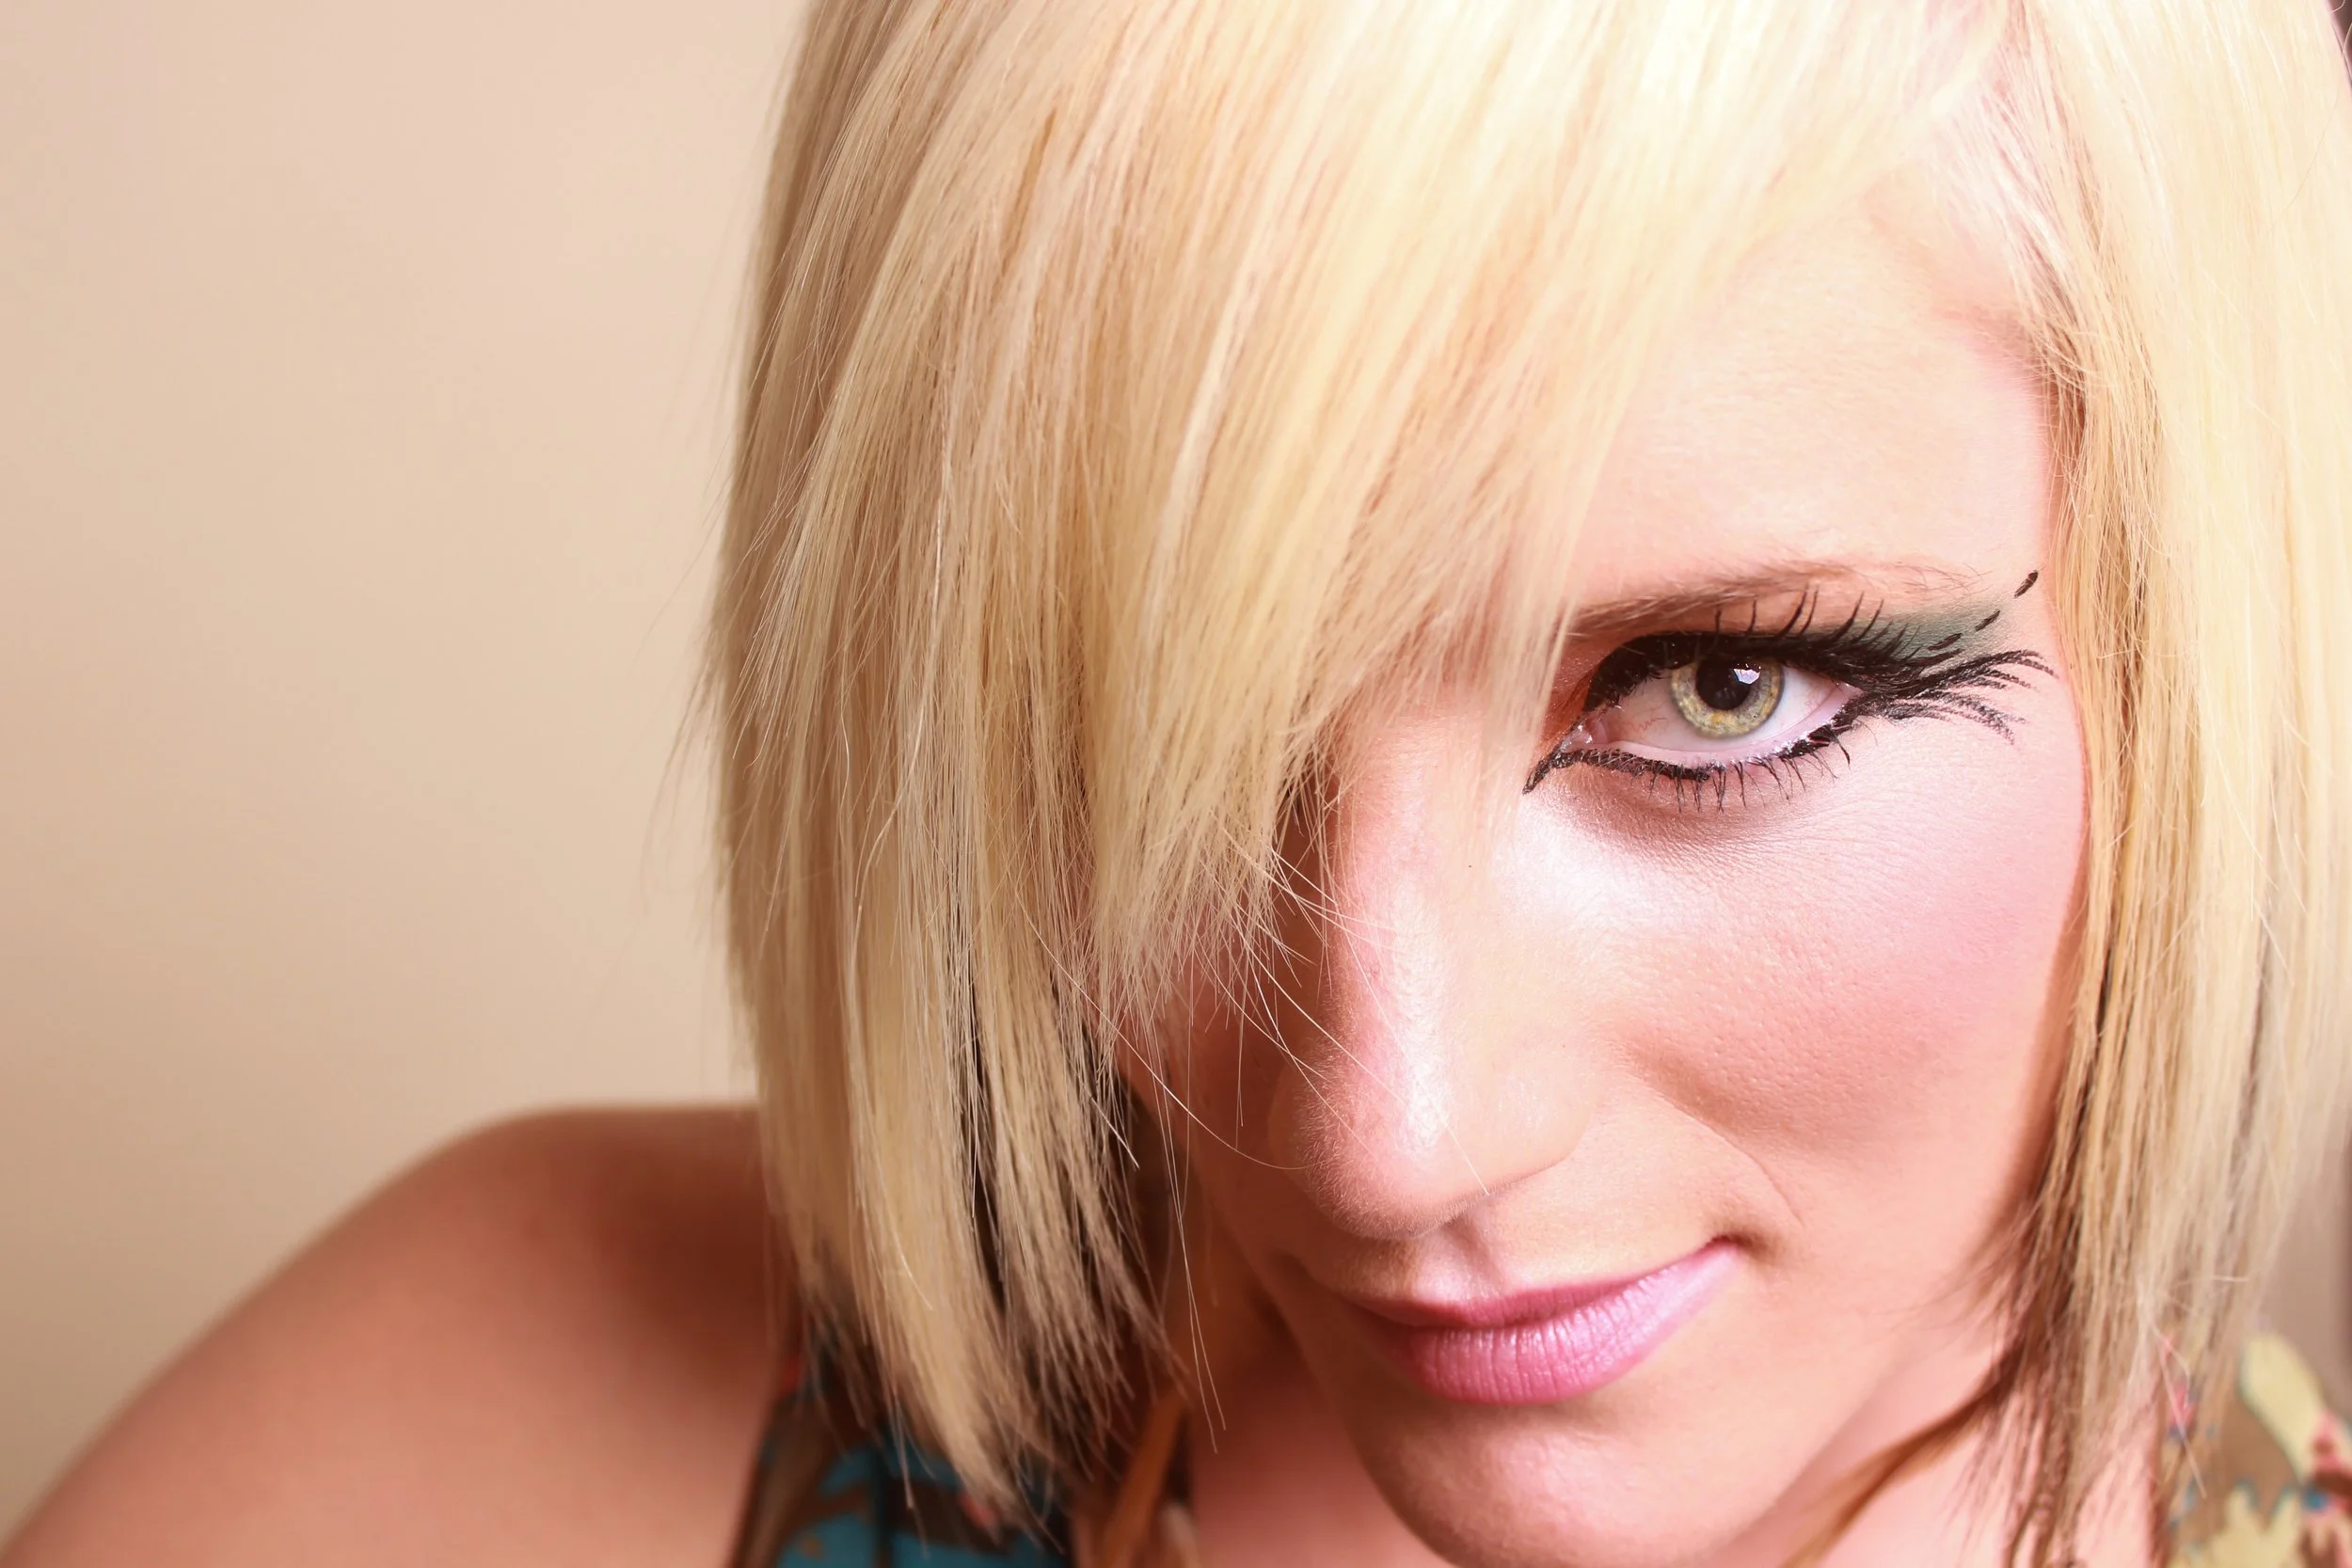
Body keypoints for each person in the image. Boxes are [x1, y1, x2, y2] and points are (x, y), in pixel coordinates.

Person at [9, 1, 2352, 1564]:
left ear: (2179, 614)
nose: (1385, 1135)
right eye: (1155, 746)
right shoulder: (510, 1429)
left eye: (1717, 689)